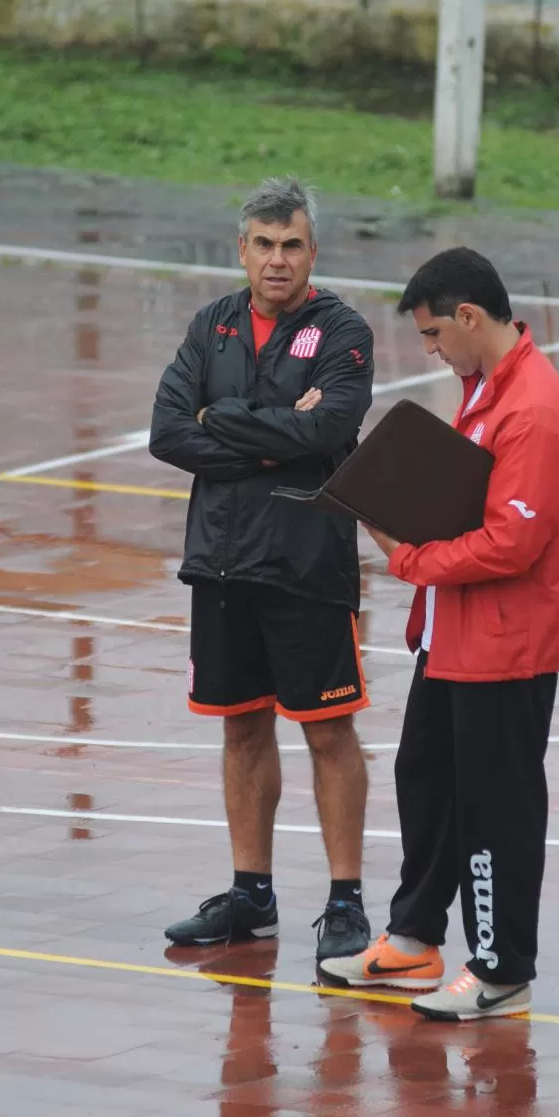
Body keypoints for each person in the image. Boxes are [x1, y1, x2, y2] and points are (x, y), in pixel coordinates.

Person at [320, 247, 559, 1020]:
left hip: (507, 645)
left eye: (435, 335)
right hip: (457, 633)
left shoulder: (534, 408)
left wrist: (411, 557)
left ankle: (501, 968)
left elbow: (512, 542)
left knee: (494, 807)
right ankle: (412, 939)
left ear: (470, 316)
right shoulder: (485, 388)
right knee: (427, 778)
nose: (431, 351)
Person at [149, 176, 375, 964]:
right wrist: (281, 430)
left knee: (329, 729)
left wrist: (228, 420)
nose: (277, 260)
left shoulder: (343, 330)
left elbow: (331, 430)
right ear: (240, 249)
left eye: (292, 245)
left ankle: (345, 900)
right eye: (264, 245)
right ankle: (252, 894)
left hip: (306, 561)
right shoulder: (211, 325)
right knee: (242, 725)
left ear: (313, 252)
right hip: (220, 561)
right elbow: (168, 432)